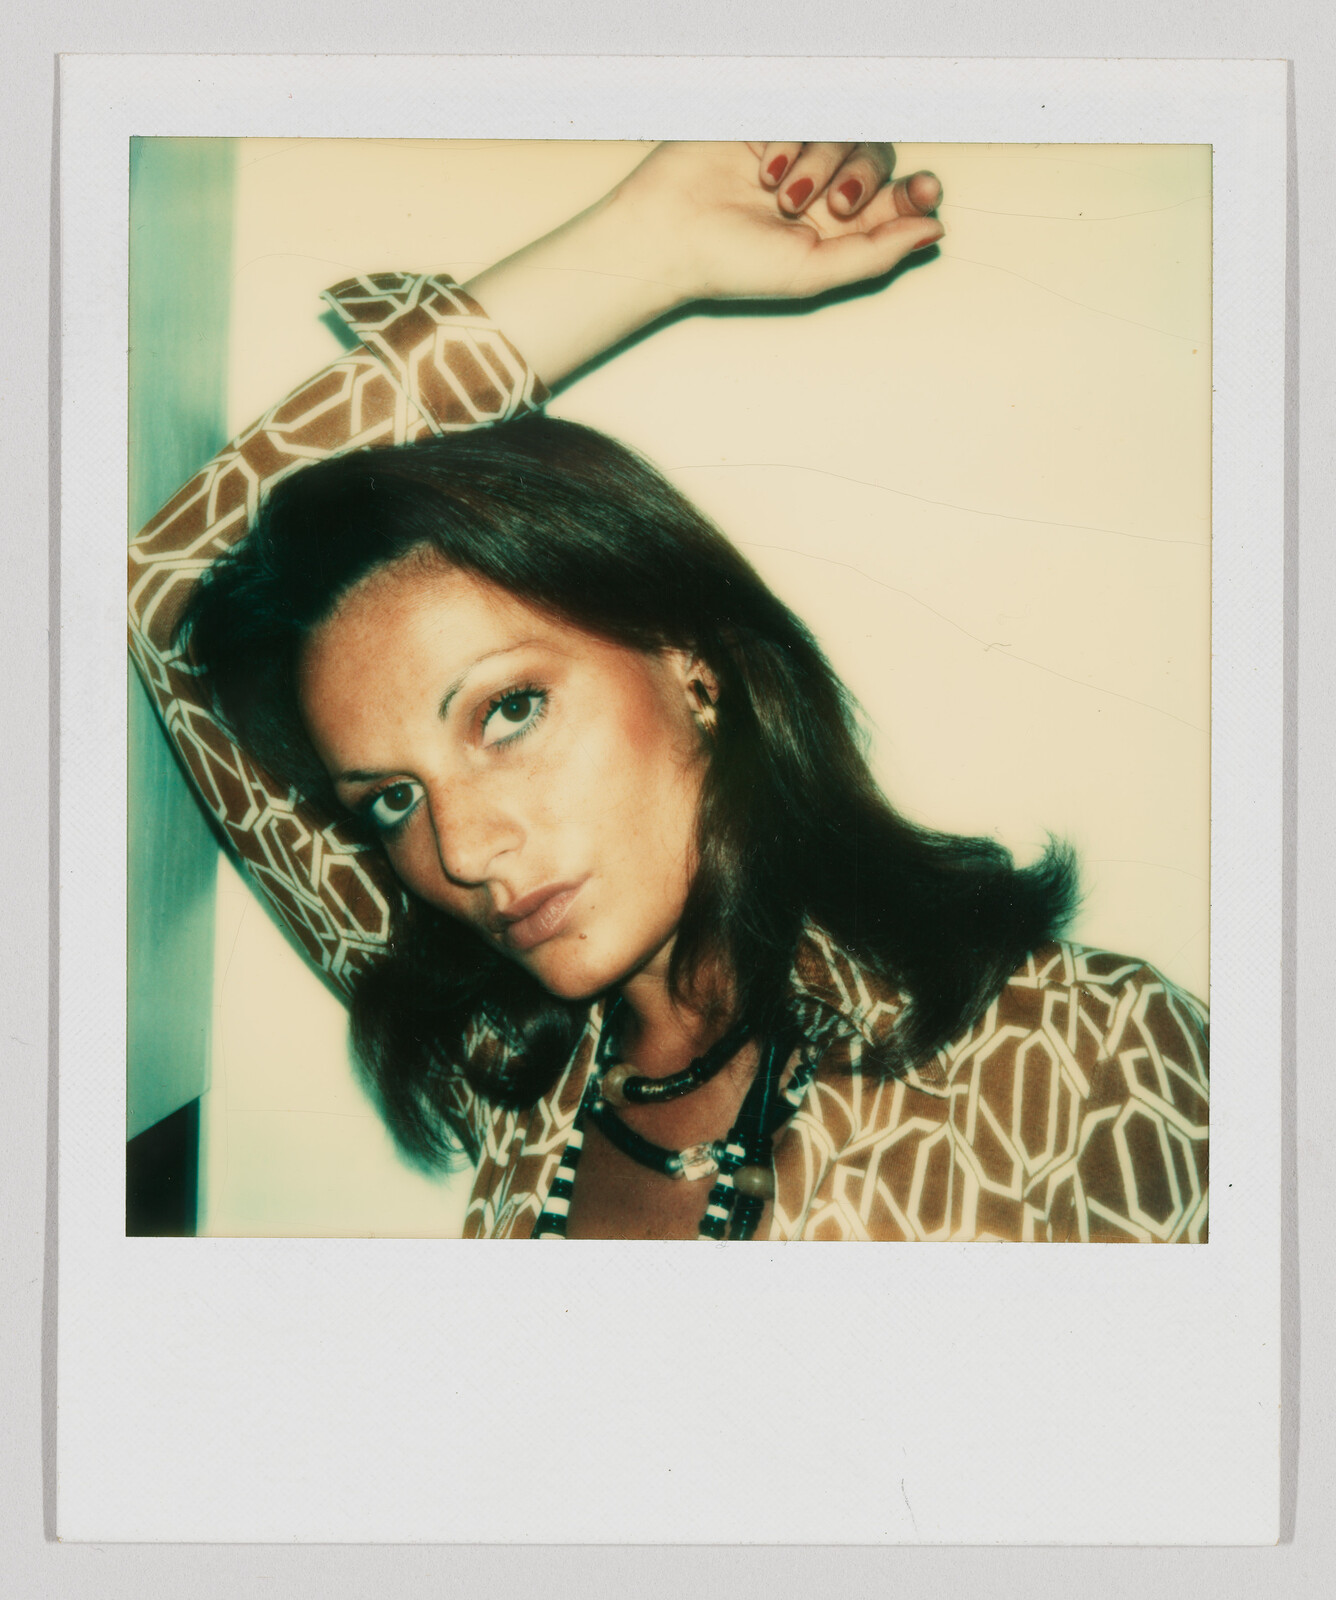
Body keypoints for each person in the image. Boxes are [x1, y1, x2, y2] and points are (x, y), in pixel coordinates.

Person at [129, 142, 1209, 1242]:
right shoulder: (512, 1076)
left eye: (506, 711)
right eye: (392, 800)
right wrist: (640, 251)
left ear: (691, 660)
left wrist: (645, 254)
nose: (459, 851)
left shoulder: (1080, 1055)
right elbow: (177, 596)